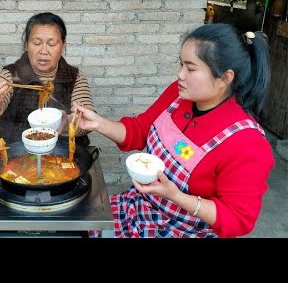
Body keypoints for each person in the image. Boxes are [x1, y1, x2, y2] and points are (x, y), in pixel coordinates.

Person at [73, 24, 275, 238]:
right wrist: (98, 123)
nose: (180, 74)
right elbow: (141, 130)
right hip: (139, 208)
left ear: (225, 77)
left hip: (185, 230)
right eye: (180, 64)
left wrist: (176, 196)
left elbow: (238, 218)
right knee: (81, 224)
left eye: (191, 68)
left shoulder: (246, 142)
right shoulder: (178, 97)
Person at [0, 12, 95, 146]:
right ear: (26, 45)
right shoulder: (10, 76)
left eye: (52, 44)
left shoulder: (74, 76)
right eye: (36, 43)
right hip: (14, 156)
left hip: (65, 157)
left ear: (63, 46)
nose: (43, 51)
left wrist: (66, 123)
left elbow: (88, 121)